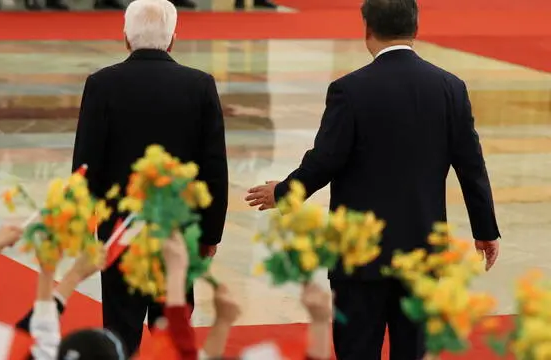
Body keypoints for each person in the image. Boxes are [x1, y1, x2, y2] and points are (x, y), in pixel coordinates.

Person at [244, 0, 501, 359]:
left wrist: (284, 192)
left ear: (367, 30)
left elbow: (326, 160)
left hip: (359, 254)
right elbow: (471, 166)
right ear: (416, 29)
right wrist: (485, 229)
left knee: (357, 349)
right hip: (422, 251)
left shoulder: (349, 90)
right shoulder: (450, 88)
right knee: (412, 351)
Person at [71, 0, 228, 354]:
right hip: (177, 228)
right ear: (174, 38)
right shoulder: (200, 85)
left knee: (120, 325)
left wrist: (81, 225)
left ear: (126, 37)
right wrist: (209, 233)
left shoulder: (101, 84)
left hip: (119, 230)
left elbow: (86, 162)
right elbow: (214, 166)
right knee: (172, 320)